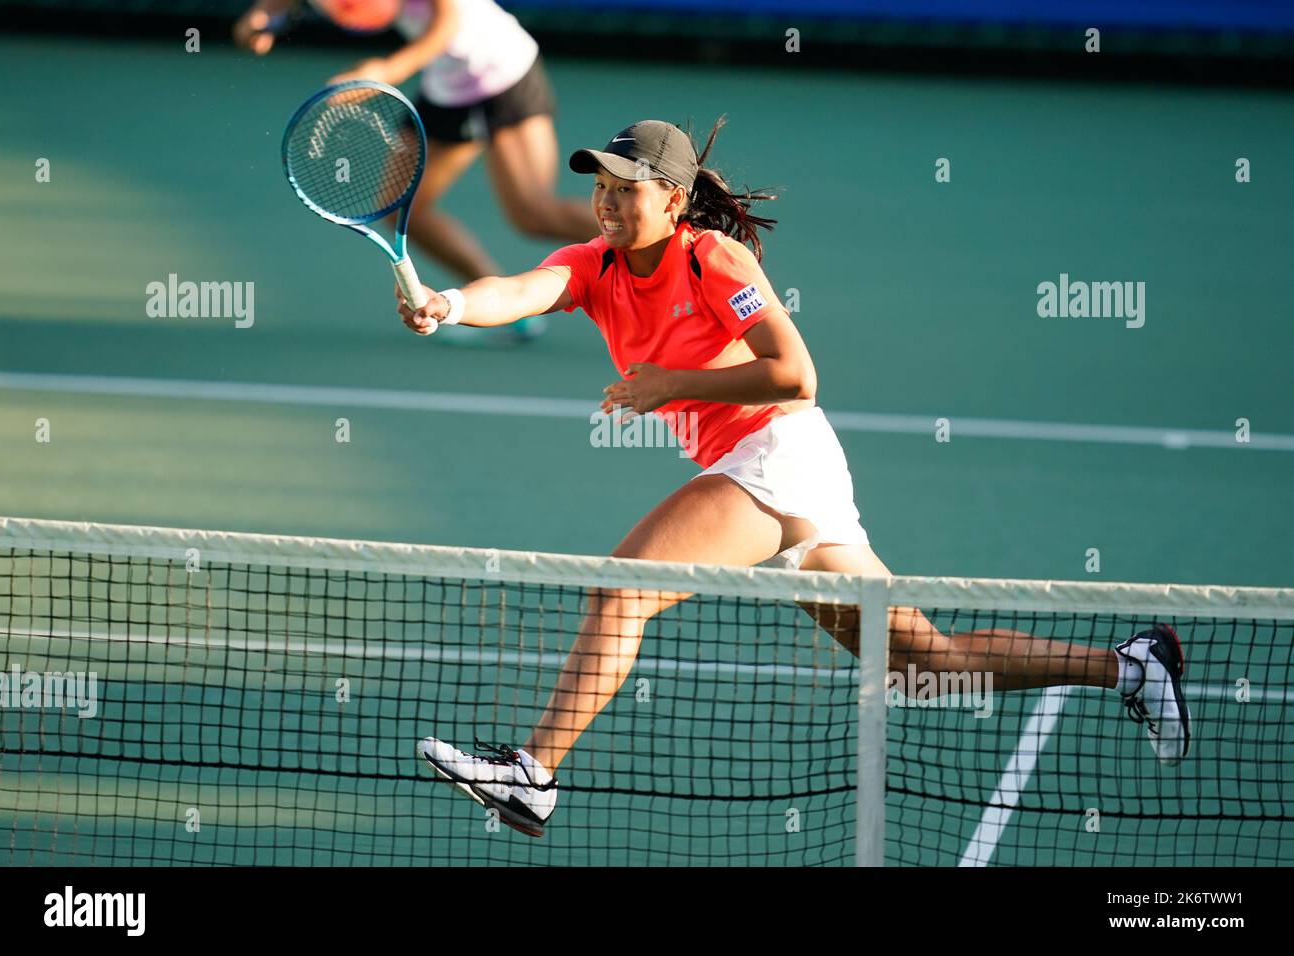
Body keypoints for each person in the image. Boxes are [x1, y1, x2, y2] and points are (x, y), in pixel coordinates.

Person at [399, 118, 1192, 837]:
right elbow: (519, 288)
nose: (606, 202)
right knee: (923, 668)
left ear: (673, 201)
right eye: (600, 186)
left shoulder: (713, 258)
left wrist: (672, 383)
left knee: (622, 588)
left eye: (625, 189)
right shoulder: (593, 265)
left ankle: (532, 776)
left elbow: (796, 374)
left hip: (777, 454)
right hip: (781, 475)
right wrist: (451, 304)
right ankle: (1132, 664)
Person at [234, 0, 600, 343]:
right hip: (449, 85)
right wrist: (265, 13)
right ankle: (503, 309)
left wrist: (386, 71)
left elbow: (449, 22)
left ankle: (652, 245)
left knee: (534, 213)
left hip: (501, 69)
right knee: (401, 209)